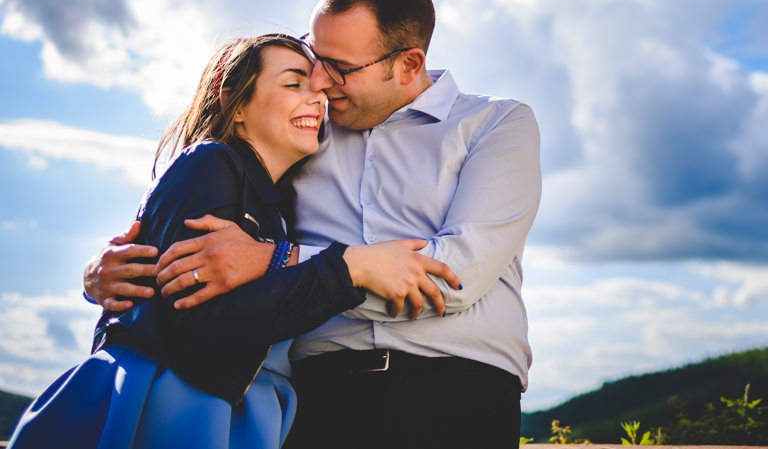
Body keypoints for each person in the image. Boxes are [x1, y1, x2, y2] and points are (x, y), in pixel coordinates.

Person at [86, 0, 542, 449]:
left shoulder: (496, 124)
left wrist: (276, 261)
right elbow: (215, 203)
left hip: (458, 393)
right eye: (315, 55)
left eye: (340, 68)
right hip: (318, 400)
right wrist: (110, 268)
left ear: (408, 65)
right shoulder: (306, 130)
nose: (321, 81)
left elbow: (455, 275)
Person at [13, 33, 460, 449]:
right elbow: (203, 321)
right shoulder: (209, 163)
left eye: (320, 88)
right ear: (235, 101)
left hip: (237, 415)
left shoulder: (282, 205)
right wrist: (349, 269)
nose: (318, 98)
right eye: (293, 84)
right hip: (160, 409)